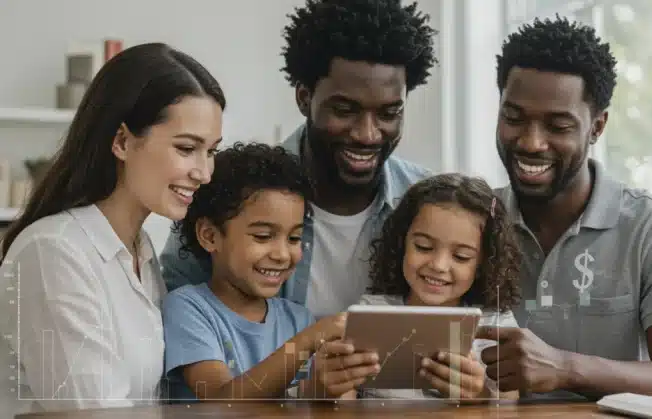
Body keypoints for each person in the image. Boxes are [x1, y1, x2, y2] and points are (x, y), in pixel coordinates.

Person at [475, 16, 652, 401]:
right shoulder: (473, 220)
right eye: (514, 118)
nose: (531, 142)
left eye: (558, 126)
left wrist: (565, 368)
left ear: (597, 127)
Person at [160, 0, 437, 320]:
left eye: (389, 114)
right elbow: (177, 312)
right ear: (304, 98)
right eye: (344, 110)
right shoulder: (226, 190)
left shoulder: (428, 202)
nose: (367, 134)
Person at [0, 42, 225, 414]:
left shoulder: (141, 251)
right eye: (187, 148)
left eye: (211, 151)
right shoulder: (53, 252)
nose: (204, 173)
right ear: (122, 141)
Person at [162, 142, 357, 402]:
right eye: (263, 236)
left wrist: (331, 388)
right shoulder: (188, 308)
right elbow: (222, 403)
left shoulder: (298, 319)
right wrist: (307, 341)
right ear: (210, 236)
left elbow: (317, 403)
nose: (282, 254)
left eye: (294, 238)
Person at [313, 173, 522, 401]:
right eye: (423, 247)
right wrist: (331, 383)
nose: (438, 265)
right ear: (401, 243)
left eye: (461, 257)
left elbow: (510, 406)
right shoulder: (371, 313)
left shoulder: (496, 323)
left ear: (483, 264)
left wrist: (478, 395)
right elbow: (342, 401)